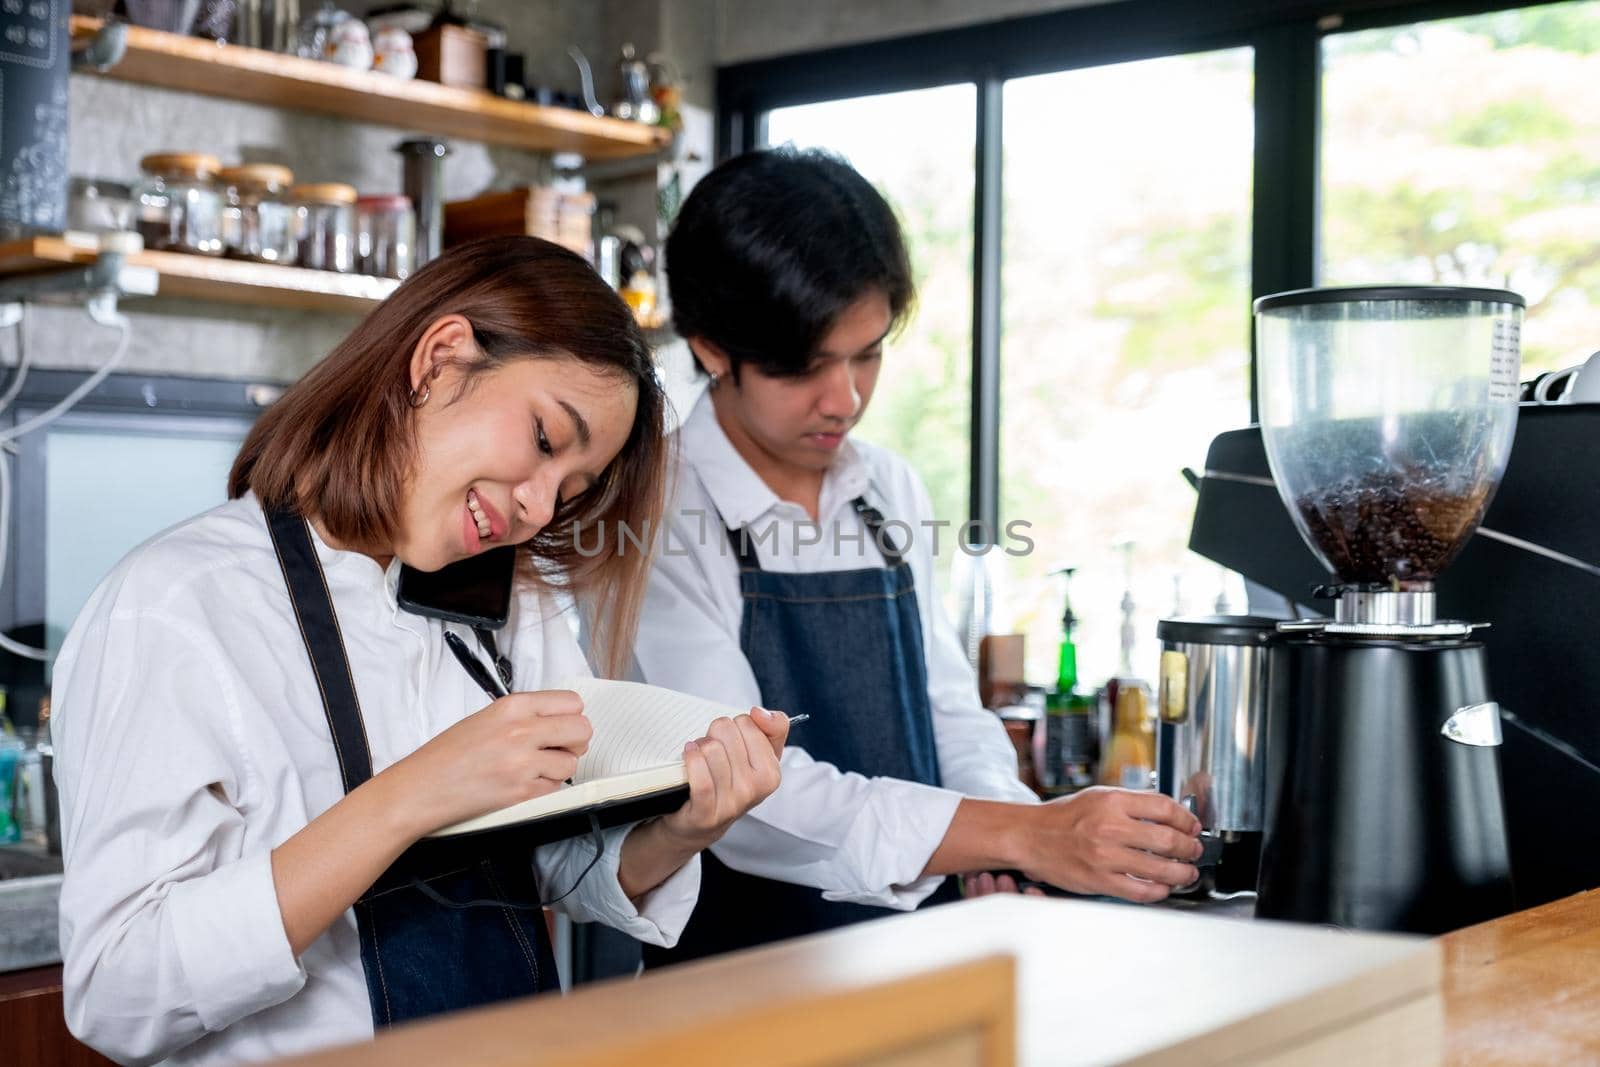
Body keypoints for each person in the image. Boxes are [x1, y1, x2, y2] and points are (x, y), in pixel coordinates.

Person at [52, 237, 788, 1066]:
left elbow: (551, 867)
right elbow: (117, 989)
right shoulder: (179, 605)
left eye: (572, 490)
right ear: (439, 358)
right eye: (546, 440)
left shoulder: (515, 604)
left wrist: (686, 827)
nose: (539, 507)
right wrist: (409, 797)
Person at [632, 149, 1203, 966]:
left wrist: (999, 831)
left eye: (866, 353)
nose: (846, 399)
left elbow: (947, 706)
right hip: (742, 977)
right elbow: (749, 802)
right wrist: (1025, 830)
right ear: (713, 349)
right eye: (804, 368)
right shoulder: (659, 508)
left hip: (918, 957)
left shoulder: (886, 487)